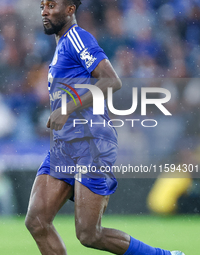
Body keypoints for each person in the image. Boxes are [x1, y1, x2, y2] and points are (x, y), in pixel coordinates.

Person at [24, 1, 185, 255]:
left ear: (70, 9)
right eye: (42, 5)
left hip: (90, 143)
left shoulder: (78, 37)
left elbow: (112, 80)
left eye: (52, 5)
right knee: (36, 221)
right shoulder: (61, 44)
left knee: (89, 234)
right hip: (64, 147)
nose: (44, 11)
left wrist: (67, 109)